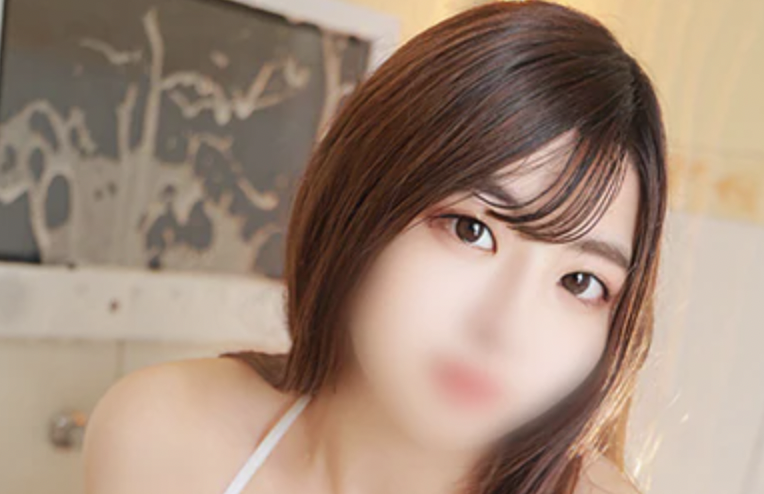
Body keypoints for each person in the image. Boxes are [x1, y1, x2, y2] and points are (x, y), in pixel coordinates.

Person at [82, 1, 667, 493]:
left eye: (580, 282)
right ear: (361, 200)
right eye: (471, 230)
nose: (506, 330)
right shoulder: (166, 436)